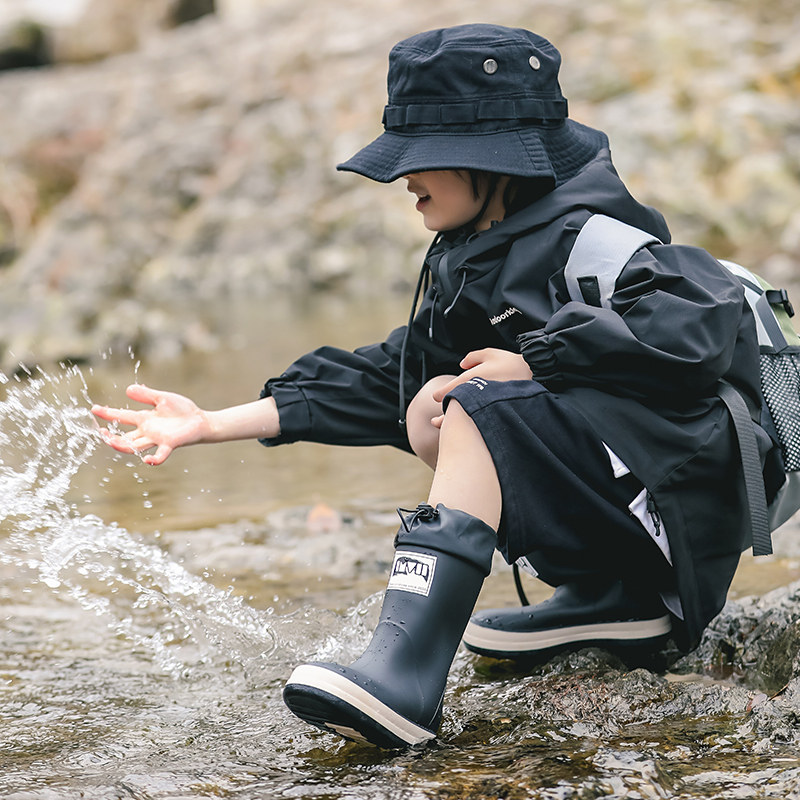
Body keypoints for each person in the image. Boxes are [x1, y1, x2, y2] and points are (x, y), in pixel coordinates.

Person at [92, 23, 783, 749]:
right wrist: (208, 423)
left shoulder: (595, 237)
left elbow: (703, 322)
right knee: (432, 403)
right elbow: (387, 380)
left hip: (683, 511)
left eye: (427, 159)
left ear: (498, 164)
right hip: (630, 514)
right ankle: (611, 597)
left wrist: (538, 361)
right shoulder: (476, 260)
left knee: (470, 403)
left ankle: (408, 677)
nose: (403, 178)